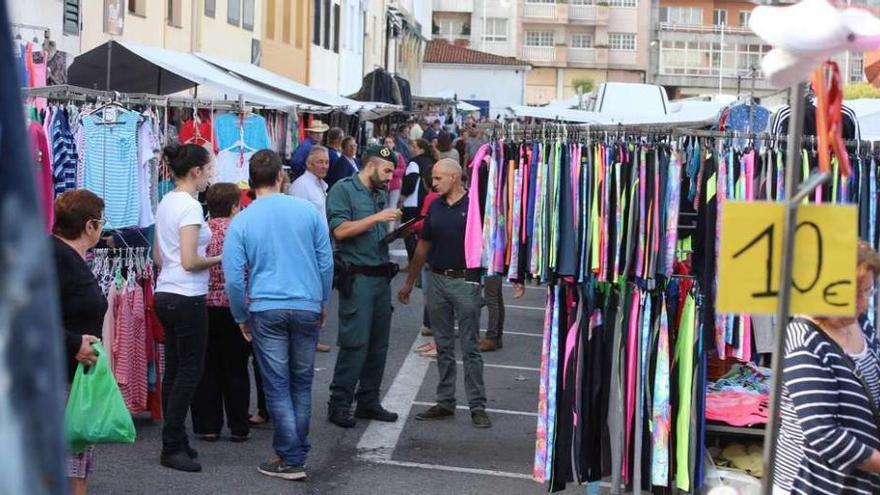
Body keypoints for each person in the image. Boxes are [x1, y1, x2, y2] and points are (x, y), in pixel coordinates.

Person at [223, 150, 334, 481]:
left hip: (266, 306)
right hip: (306, 303)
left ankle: (290, 457)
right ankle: (294, 453)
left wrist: (240, 315)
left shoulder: (241, 219)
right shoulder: (307, 212)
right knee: (301, 382)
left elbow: (233, 276)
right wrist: (323, 300)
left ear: (250, 183)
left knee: (277, 384)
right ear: (280, 178)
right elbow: (325, 261)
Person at [773, 240, 880, 494]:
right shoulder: (804, 340)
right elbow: (824, 435)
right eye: (853, 293)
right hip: (811, 486)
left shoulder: (861, 324)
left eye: (866, 292)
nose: (861, 303)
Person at [398, 159, 491, 428]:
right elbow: (423, 246)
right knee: (444, 345)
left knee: (471, 347)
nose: (433, 182)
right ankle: (445, 401)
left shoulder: (475, 206)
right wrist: (409, 282)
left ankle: (477, 405)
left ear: (454, 178)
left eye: (438, 178)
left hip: (465, 282)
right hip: (437, 279)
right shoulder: (435, 205)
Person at [153, 143, 220, 473]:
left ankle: (176, 439)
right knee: (189, 372)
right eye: (209, 170)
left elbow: (158, 256)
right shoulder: (190, 207)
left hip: (165, 291)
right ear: (196, 172)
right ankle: (171, 444)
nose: (211, 176)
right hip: (186, 295)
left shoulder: (166, 201)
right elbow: (191, 261)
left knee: (176, 371)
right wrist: (224, 257)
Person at [326, 144, 402, 428]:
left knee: (378, 345)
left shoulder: (378, 194)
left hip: (380, 276)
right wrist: (376, 218)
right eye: (387, 170)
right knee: (355, 343)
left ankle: (368, 400)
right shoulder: (343, 190)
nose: (390, 177)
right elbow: (341, 230)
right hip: (357, 278)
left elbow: (375, 235)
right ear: (370, 165)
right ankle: (339, 403)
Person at [53, 190, 108, 495]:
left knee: (72, 460)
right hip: (57, 375)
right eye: (101, 222)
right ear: (89, 226)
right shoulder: (56, 257)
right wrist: (74, 343)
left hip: (71, 376)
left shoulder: (65, 256)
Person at [191, 183, 251, 443]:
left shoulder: (201, 231)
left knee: (207, 366)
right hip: (233, 304)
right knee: (236, 368)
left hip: (204, 303)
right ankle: (238, 424)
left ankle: (208, 425)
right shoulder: (239, 232)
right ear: (234, 205)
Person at [288, 145, 330, 213]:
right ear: (309, 164)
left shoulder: (320, 184)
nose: (324, 166)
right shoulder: (301, 186)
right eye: (320, 162)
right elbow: (297, 215)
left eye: (327, 162)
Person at [480, 277, 505, 352]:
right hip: (494, 267)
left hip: (490, 266)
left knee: (492, 299)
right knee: (496, 298)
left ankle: (492, 337)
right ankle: (497, 337)